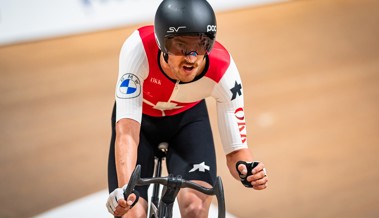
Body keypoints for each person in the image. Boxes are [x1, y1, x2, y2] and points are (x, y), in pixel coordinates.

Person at [106, 0, 268, 217]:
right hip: (140, 123)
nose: (192, 57)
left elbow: (236, 152)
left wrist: (249, 171)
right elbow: (127, 132)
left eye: (202, 45)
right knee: (132, 213)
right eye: (181, 46)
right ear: (162, 43)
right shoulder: (139, 49)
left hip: (187, 121)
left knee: (196, 207)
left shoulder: (225, 71)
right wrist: (126, 194)